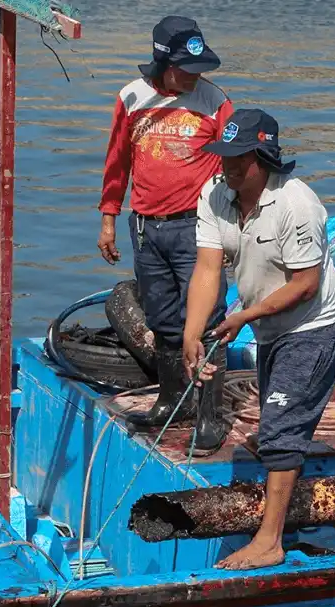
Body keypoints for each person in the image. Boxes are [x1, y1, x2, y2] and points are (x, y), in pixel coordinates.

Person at [184, 108, 335, 569]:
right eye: (225, 156)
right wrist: (191, 333)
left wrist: (245, 316)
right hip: (269, 325)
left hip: (311, 325)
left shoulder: (297, 204)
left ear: (265, 158)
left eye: (241, 158)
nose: (229, 166)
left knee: (280, 427)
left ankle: (270, 542)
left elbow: (305, 285)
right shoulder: (215, 194)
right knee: (277, 418)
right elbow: (208, 268)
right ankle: (282, 481)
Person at [96, 16, 233, 447]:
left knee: (207, 321)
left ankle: (210, 415)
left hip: (198, 229)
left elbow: (238, 162)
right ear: (163, 63)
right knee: (163, 320)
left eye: (199, 69)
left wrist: (236, 228)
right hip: (146, 229)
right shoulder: (131, 98)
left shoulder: (215, 101)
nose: (195, 77)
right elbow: (117, 162)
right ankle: (174, 400)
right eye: (186, 70)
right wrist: (108, 218)